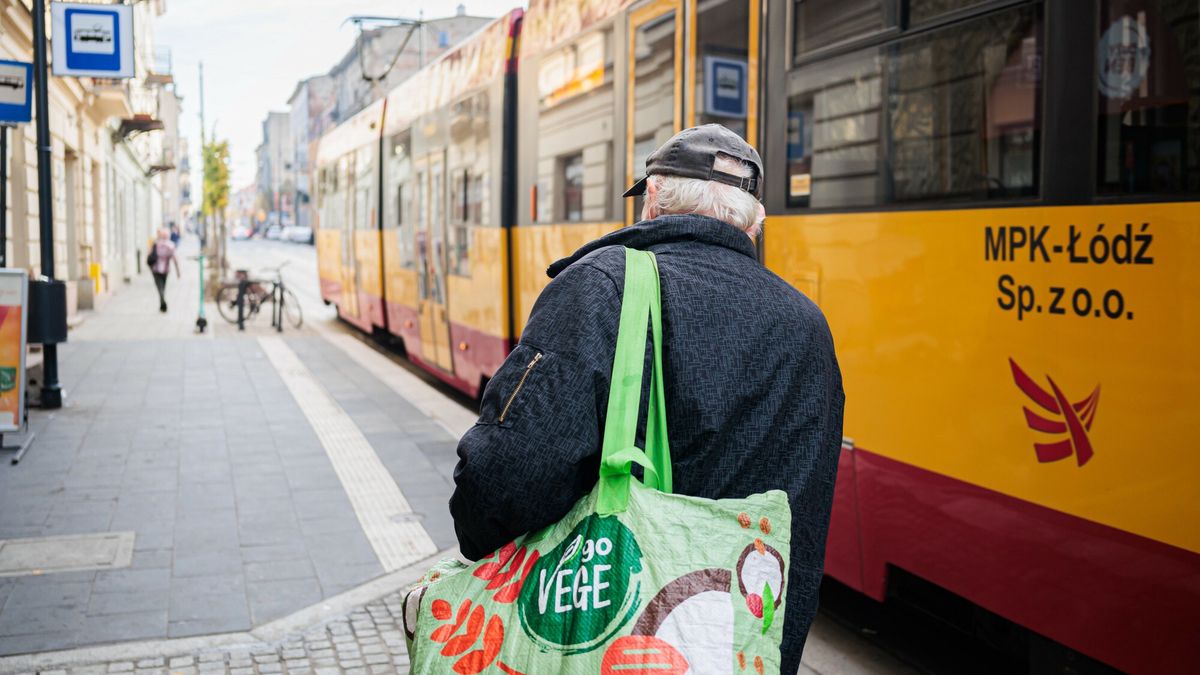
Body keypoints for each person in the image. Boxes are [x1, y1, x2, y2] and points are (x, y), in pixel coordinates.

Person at [449, 124, 845, 671]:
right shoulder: (808, 326)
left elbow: (504, 481)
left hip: (621, 648)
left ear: (653, 199)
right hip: (748, 652)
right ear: (754, 223)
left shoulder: (603, 287)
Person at [150, 228, 180, 313]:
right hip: (165, 270)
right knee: (163, 286)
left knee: (159, 287)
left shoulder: (156, 244)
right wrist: (178, 271)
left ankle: (162, 301)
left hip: (155, 269)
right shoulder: (170, 245)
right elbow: (175, 259)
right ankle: (162, 302)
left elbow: (150, 255)